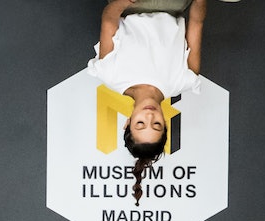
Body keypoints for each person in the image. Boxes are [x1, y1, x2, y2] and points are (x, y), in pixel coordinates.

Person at [89, 0, 221, 205]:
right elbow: (196, 22)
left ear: (128, 122)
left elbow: (108, 18)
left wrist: (127, 0)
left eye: (140, 123)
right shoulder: (184, 79)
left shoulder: (110, 74)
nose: (149, 116)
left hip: (131, 5)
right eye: (157, 124)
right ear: (165, 123)